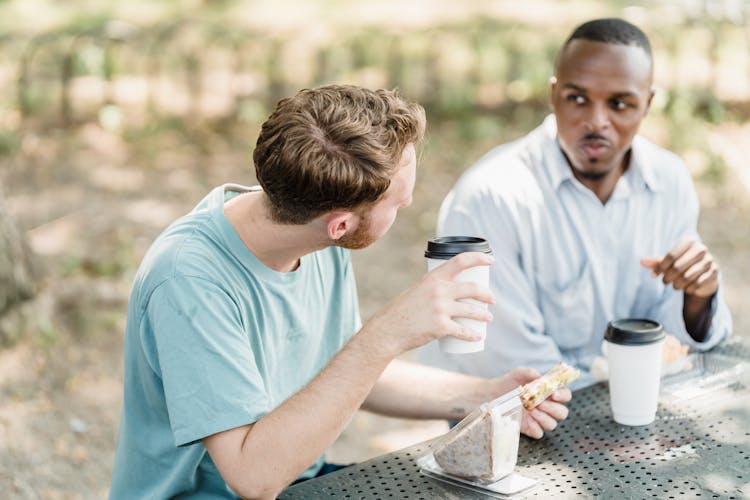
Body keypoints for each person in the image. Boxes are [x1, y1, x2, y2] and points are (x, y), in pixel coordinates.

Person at [109, 84, 571, 499]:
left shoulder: (314, 233)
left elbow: (343, 375)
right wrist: (384, 334)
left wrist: (487, 395)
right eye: (399, 201)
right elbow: (252, 477)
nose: (408, 204)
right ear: (342, 224)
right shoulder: (189, 281)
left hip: (305, 479)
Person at [418, 18, 732, 387]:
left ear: (647, 104)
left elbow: (671, 341)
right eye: (578, 99)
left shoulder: (669, 181)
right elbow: (507, 366)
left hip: (626, 407)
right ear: (554, 95)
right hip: (511, 417)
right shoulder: (491, 196)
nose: (597, 121)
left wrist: (698, 299)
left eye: (620, 104)